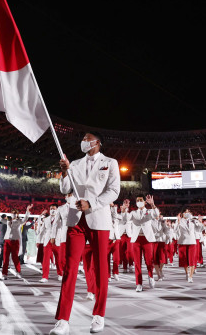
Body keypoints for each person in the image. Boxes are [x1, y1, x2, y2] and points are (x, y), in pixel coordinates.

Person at [51, 132, 120, 335]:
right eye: (82, 139)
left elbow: (114, 191)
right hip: (76, 219)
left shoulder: (110, 162)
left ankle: (99, 315)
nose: (83, 141)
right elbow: (65, 189)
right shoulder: (76, 163)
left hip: (98, 218)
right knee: (70, 268)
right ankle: (63, 319)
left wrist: (92, 203)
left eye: (87, 138)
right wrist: (64, 172)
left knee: (100, 270)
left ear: (97, 142)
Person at [121, 195, 159, 291]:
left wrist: (152, 204)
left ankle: (151, 276)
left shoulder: (149, 211)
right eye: (137, 200)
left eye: (141, 200)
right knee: (137, 262)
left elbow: (156, 215)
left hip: (147, 239)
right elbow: (125, 219)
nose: (139, 202)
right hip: (136, 240)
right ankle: (139, 283)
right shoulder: (133, 213)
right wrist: (124, 209)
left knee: (149, 261)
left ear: (145, 202)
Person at [0, 204, 32, 280]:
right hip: (7, 241)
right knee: (5, 259)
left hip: (15, 241)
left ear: (17, 214)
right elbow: (0, 219)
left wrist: (27, 210)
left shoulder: (19, 221)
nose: (13, 214)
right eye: (12, 212)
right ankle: (4, 274)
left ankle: (18, 272)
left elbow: (25, 218)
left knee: (15, 258)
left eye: (15, 213)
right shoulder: (8, 221)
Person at [175, 209, 199, 283]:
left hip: (192, 241)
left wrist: (198, 222)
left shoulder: (193, 220)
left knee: (191, 260)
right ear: (183, 214)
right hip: (183, 242)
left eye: (189, 212)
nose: (187, 213)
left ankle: (190, 276)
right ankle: (187, 273)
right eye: (186, 212)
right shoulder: (180, 221)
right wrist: (178, 221)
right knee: (184, 260)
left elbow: (199, 229)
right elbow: (175, 230)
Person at [38, 206, 61, 282]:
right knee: (45, 259)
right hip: (47, 241)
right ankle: (45, 277)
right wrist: (39, 240)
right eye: (51, 209)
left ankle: (60, 274)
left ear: (57, 210)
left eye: (54, 209)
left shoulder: (60, 219)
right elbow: (42, 231)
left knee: (58, 259)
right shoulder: (46, 219)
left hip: (57, 241)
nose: (52, 210)